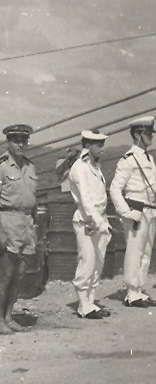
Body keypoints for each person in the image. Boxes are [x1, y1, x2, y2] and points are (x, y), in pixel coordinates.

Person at [0, 123, 38, 335]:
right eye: (16, 140)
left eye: (24, 140)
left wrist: (34, 225)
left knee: (19, 274)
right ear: (8, 142)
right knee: (5, 274)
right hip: (7, 220)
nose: (20, 144)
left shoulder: (30, 167)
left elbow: (33, 199)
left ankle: (8, 316)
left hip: (26, 223)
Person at [109, 115, 156, 308]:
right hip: (136, 209)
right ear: (138, 134)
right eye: (148, 133)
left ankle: (139, 289)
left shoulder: (148, 157)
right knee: (135, 251)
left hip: (150, 210)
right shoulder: (128, 160)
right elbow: (115, 189)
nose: (151, 136)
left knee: (146, 251)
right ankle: (131, 292)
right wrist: (126, 212)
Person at [67, 130, 112, 319]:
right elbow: (86, 200)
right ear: (87, 145)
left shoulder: (94, 166)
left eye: (102, 144)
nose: (102, 148)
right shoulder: (79, 167)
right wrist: (99, 222)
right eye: (98, 145)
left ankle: (91, 302)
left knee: (97, 263)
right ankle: (83, 306)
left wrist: (102, 221)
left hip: (99, 218)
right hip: (87, 220)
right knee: (87, 262)